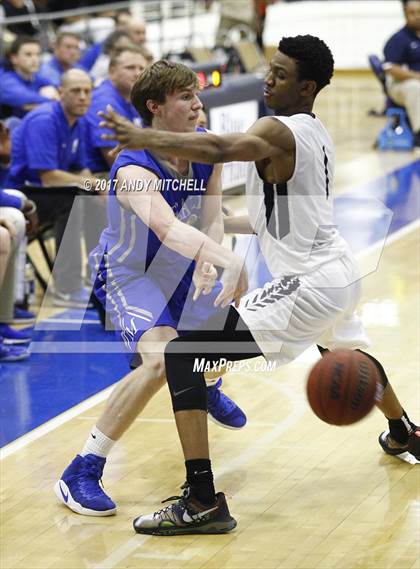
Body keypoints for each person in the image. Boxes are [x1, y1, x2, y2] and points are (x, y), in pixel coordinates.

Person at [99, 35, 420, 535]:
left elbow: (222, 145)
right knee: (348, 353)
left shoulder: (276, 128)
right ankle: (405, 432)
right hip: (339, 272)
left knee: (183, 357)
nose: (269, 79)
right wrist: (217, 227)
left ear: (307, 87)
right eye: (269, 70)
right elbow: (275, 217)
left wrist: (147, 139)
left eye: (282, 74)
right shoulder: (315, 133)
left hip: (308, 283)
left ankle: (201, 500)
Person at [54, 60, 247, 517]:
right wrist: (226, 258)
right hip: (130, 272)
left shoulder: (205, 148)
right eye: (184, 97)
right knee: (160, 362)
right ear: (155, 107)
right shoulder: (132, 167)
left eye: (196, 94)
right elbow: (167, 228)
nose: (197, 103)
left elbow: (212, 215)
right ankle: (81, 469)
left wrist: (208, 257)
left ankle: (204, 379)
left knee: (221, 336)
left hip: (180, 266)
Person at [7, 69, 102, 307]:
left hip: (49, 191)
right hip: (21, 194)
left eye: (87, 91)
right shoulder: (45, 120)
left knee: (95, 200)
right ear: (61, 93)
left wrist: (98, 189)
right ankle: (66, 288)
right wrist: (92, 184)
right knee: (70, 202)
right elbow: (48, 177)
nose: (83, 97)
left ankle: (99, 278)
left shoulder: (78, 122)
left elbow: (81, 169)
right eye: (76, 91)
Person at [86, 47, 148, 174]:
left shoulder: (130, 97)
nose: (137, 73)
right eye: (130, 68)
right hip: (100, 174)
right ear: (111, 71)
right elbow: (114, 158)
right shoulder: (104, 102)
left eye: (142, 69)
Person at [384, 0, 420, 147]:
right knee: (415, 87)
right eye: (413, 13)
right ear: (405, 14)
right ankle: (419, 134)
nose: (417, 16)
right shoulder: (398, 39)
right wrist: (417, 77)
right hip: (400, 85)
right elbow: (390, 69)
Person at [0, 36, 59, 118]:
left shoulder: (35, 76)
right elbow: (26, 98)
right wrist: (54, 100)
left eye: (38, 54)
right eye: (28, 55)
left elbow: (60, 89)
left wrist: (34, 105)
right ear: (14, 58)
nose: (35, 59)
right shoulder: (5, 80)